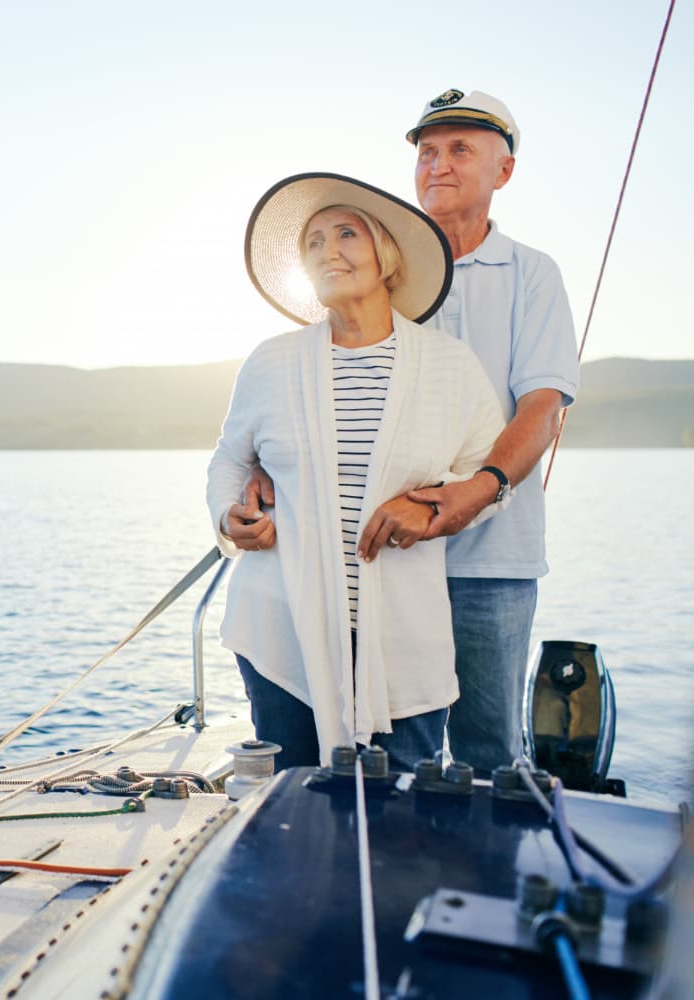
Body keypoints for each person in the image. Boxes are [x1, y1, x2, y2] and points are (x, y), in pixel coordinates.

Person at [238, 93, 581, 773]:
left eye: (461, 150)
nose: (438, 165)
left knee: (486, 752)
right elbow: (320, 393)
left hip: (489, 563)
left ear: (503, 172)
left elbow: (542, 408)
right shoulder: (375, 264)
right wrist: (273, 467)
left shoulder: (532, 274)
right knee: (375, 753)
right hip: (376, 565)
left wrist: (475, 491)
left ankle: (474, 880)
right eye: (427, 151)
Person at [208, 173, 504, 771]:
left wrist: (432, 510)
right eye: (313, 242)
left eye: (346, 233)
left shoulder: (450, 366)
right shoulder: (271, 363)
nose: (327, 250)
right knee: (293, 810)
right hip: (281, 627)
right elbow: (229, 460)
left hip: (403, 636)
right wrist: (231, 516)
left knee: (401, 828)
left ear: (386, 257)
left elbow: (485, 482)